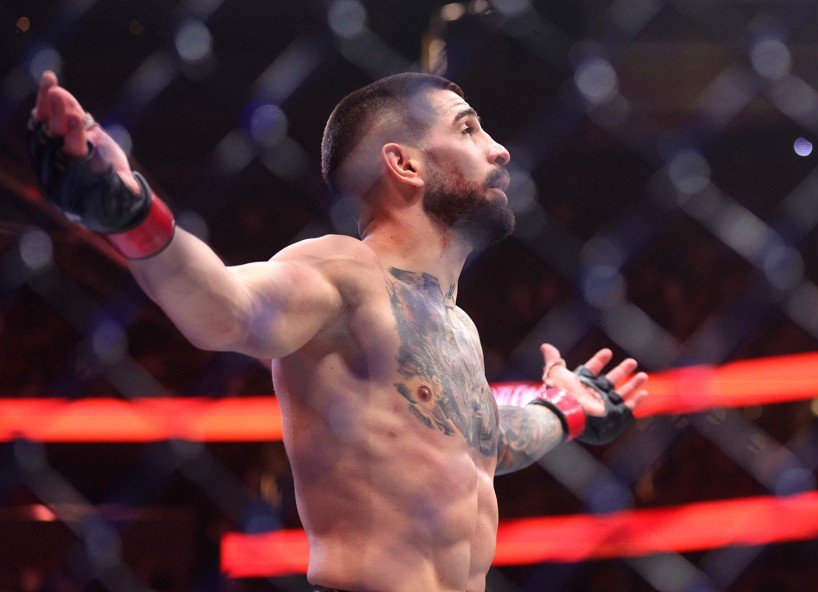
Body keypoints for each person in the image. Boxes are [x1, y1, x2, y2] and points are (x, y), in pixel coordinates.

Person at [28, 70, 648, 592]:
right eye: (467, 128)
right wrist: (132, 212)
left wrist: (565, 408)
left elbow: (480, 442)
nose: (499, 149)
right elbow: (228, 309)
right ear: (404, 164)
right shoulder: (344, 272)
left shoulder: (457, 326)